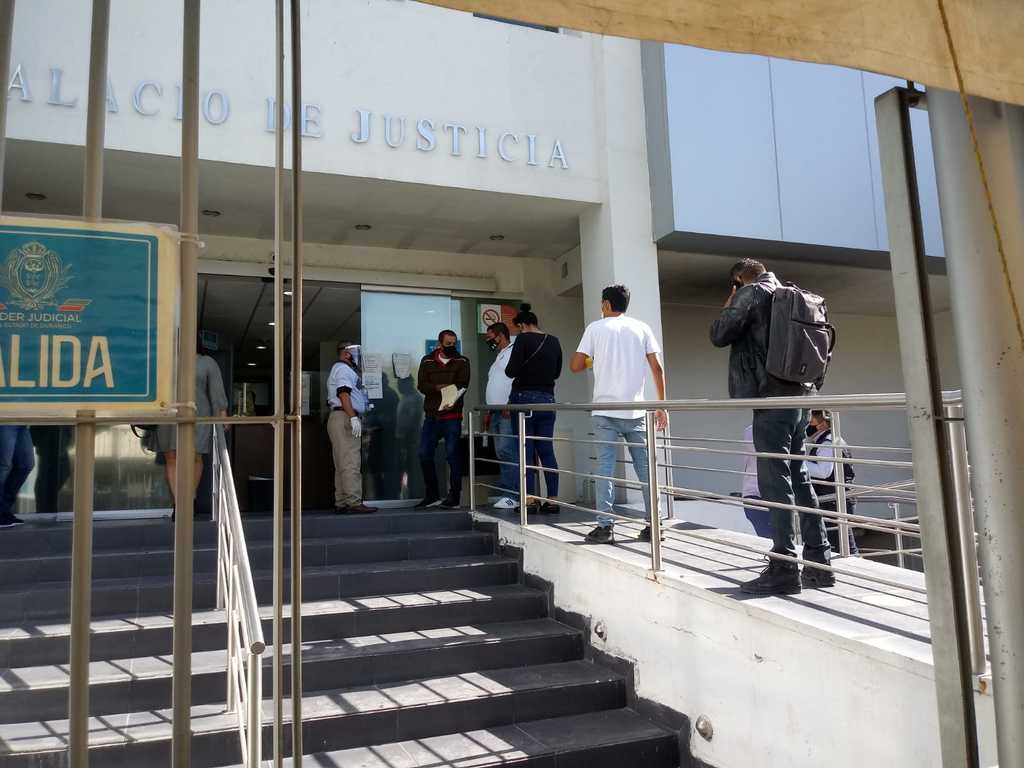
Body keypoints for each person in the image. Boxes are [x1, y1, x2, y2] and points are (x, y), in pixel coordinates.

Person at [710, 258, 833, 595]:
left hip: (770, 400)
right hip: (800, 400)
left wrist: (732, 299)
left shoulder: (751, 293)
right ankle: (820, 563)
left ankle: (783, 566)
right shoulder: (791, 294)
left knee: (774, 481)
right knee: (798, 476)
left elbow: (718, 334)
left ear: (738, 280)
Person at [570, 284, 667, 544]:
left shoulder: (595, 328)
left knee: (605, 469)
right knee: (646, 471)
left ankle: (605, 527)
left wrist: (595, 359)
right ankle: (655, 526)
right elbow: (657, 368)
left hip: (604, 412)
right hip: (637, 411)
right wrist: (662, 405)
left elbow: (575, 365)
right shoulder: (642, 328)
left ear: (605, 304)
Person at [156, 341, 229, 519]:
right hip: (168, 414)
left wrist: (222, 414)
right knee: (171, 456)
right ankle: (179, 505)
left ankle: (190, 500)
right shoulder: (164, 360)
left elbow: (216, 391)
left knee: (195, 456)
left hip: (198, 415)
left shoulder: (207, 362)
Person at [505, 304, 562, 514]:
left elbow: (510, 371)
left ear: (522, 325)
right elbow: (556, 373)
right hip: (547, 400)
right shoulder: (553, 340)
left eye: (518, 328)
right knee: (546, 450)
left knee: (525, 450)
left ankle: (529, 500)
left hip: (524, 400)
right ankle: (553, 500)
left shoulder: (522, 339)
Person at [416, 330, 471, 508]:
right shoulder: (427, 361)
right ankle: (432, 495)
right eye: (448, 344)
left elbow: (462, 385)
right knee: (424, 454)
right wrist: (439, 387)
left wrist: (451, 398)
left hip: (452, 417)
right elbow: (422, 385)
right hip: (432, 417)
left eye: (454, 343)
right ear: (439, 344)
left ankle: (454, 497)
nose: (452, 346)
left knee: (453, 456)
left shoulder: (462, 361)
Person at [326, 342, 376, 514]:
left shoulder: (340, 369)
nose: (358, 356)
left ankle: (341, 502)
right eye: (355, 352)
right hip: (345, 416)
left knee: (342, 462)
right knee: (351, 462)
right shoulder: (343, 369)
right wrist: (353, 417)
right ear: (347, 353)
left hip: (340, 416)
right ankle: (354, 502)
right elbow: (343, 393)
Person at [805, 410, 859, 555]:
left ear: (823, 424)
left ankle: (853, 564)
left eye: (811, 422)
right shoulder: (829, 440)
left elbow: (824, 472)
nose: (808, 426)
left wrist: (799, 463)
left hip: (834, 500)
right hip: (836, 498)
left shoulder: (828, 442)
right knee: (840, 541)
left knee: (842, 543)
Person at [483, 322, 518, 509]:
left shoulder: (513, 352)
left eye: (490, 338)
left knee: (508, 451)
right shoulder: (499, 356)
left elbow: (516, 379)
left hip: (506, 410)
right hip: (495, 411)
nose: (488, 342)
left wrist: (510, 403)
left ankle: (513, 495)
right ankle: (507, 492)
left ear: (500, 336)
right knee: (501, 453)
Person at [740, 424, 772, 538]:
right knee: (769, 538)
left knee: (779, 539)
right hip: (755, 495)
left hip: (774, 496)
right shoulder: (751, 430)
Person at [0, 426, 34, 527]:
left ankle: (4, 510)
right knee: (3, 466)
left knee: (26, 465)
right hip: (5, 421)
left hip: (21, 423)